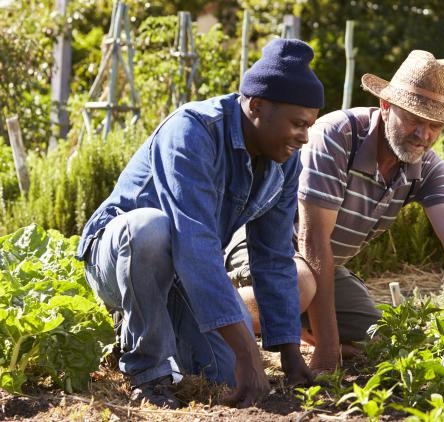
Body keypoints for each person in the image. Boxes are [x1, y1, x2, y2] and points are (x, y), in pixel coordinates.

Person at [76, 38, 323, 409]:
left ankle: (159, 331)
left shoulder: (284, 162)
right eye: (298, 124)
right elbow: (195, 243)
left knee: (225, 373)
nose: (305, 137)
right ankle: (148, 372)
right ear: (257, 106)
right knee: (150, 228)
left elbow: (272, 257)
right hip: (119, 257)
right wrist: (248, 352)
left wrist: (288, 354)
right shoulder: (194, 131)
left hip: (182, 273)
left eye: (310, 125)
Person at [226, 49, 444, 373]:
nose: (424, 135)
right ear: (386, 106)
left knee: (383, 340)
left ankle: (298, 325)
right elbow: (312, 240)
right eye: (415, 120)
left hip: (323, 268)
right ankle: (206, 322)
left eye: (435, 125)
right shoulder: (337, 136)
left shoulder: (425, 165)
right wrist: (328, 349)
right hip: (264, 249)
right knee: (300, 286)